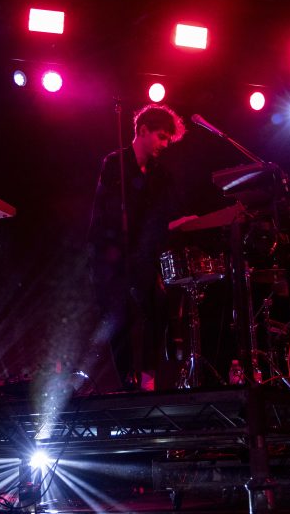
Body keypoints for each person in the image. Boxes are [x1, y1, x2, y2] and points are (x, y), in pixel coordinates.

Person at [87, 103, 185, 391]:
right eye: (161, 136)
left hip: (142, 256)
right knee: (119, 319)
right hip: (110, 256)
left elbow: (162, 215)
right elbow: (107, 213)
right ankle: (128, 384)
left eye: (168, 138)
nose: (165, 144)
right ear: (143, 131)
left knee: (159, 307)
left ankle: (148, 377)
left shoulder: (160, 174)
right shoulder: (114, 163)